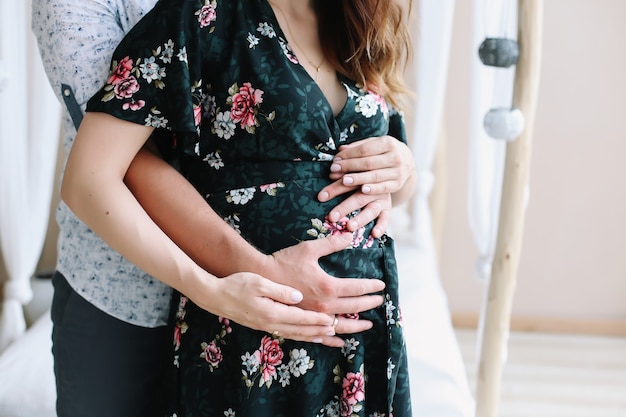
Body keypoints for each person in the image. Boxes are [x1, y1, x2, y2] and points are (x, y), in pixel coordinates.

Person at [32, 0, 415, 416]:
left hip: (362, 340)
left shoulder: (356, 18)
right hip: (245, 328)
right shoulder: (199, 14)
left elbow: (389, 177)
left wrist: (404, 168)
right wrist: (222, 288)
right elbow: (104, 173)